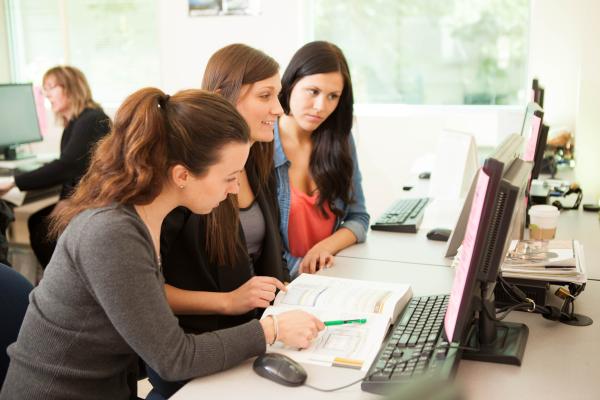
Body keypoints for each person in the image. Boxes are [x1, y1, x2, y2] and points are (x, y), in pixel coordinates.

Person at [0, 88, 324, 400]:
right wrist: (272, 329)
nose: (235, 188)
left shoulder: (146, 217)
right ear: (182, 175)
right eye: (229, 176)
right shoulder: (112, 234)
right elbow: (174, 359)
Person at [148, 44, 289, 398]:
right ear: (221, 98)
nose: (279, 109)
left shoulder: (258, 163)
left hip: (250, 332)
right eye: (266, 95)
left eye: (279, 95)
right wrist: (227, 301)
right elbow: (147, 291)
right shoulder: (186, 182)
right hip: (199, 347)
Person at [275, 41, 370, 277]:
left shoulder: (340, 139)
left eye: (333, 96)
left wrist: (324, 247)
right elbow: (258, 248)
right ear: (291, 83)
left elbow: (358, 217)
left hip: (332, 276)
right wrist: (305, 270)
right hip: (284, 285)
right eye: (313, 91)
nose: (321, 106)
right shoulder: (262, 144)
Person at [0, 66, 110, 269]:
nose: (47, 94)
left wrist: (14, 182)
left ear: (71, 87)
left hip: (97, 199)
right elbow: (73, 170)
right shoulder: (76, 123)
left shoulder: (90, 119)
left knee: (42, 227)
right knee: (39, 222)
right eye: (45, 89)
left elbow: (67, 167)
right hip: (84, 195)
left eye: (51, 87)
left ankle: (62, 283)